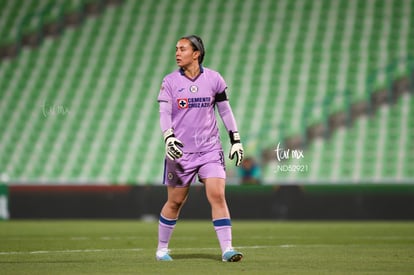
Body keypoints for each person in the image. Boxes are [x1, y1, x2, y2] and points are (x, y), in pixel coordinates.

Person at [156, 35, 244, 262]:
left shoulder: (214, 79)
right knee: (175, 202)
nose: (177, 53)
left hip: (210, 150)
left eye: (182, 49)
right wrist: (168, 137)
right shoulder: (169, 82)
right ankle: (162, 249)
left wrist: (235, 139)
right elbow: (164, 113)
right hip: (180, 151)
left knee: (217, 194)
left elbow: (225, 111)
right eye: (176, 49)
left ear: (196, 53)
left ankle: (227, 250)